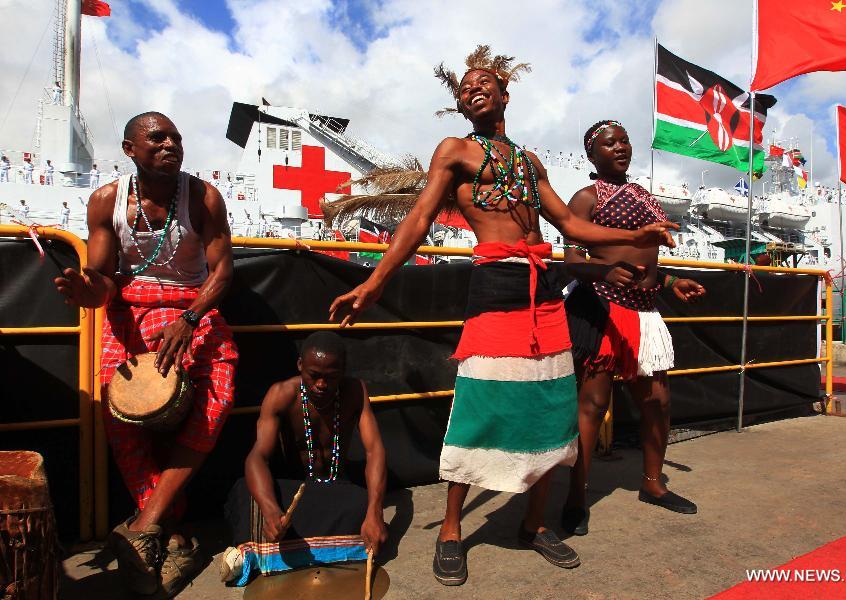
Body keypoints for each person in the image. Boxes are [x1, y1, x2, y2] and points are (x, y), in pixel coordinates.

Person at [328, 46, 677, 586]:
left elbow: (570, 225)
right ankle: (450, 530)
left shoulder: (530, 162)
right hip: (495, 289)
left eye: (482, 83)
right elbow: (420, 219)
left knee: (550, 406)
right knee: (481, 404)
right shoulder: (455, 152)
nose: (473, 90)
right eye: (464, 89)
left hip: (545, 296)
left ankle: (534, 525)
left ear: (505, 95)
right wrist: (373, 284)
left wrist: (635, 235)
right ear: (462, 108)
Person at [53, 111, 238, 597]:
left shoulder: (203, 198)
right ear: (130, 149)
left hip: (191, 310)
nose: (169, 145)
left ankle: (144, 524)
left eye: (176, 138)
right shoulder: (106, 202)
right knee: (121, 418)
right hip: (128, 312)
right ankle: (171, 532)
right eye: (156, 139)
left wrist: (191, 319)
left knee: (217, 397)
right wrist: (82, 288)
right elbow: (101, 283)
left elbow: (222, 272)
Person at [561, 120, 706, 537]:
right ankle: (575, 495)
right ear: (592, 155)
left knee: (658, 402)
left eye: (624, 140)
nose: (620, 147)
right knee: (591, 406)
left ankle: (653, 484)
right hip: (602, 309)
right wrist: (604, 269)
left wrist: (671, 282)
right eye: (609, 143)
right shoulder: (585, 198)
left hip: (645, 311)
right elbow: (570, 260)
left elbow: (648, 262)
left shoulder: (645, 197)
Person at [221, 332, 388, 585]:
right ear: (300, 366)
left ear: (343, 371)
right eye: (314, 375)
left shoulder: (355, 391)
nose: (321, 384)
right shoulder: (281, 394)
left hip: (333, 489)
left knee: (364, 503)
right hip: (292, 496)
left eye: (331, 377)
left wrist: (374, 512)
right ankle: (322, 548)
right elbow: (257, 457)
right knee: (245, 492)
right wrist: (270, 510)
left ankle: (271, 552)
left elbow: (374, 450)